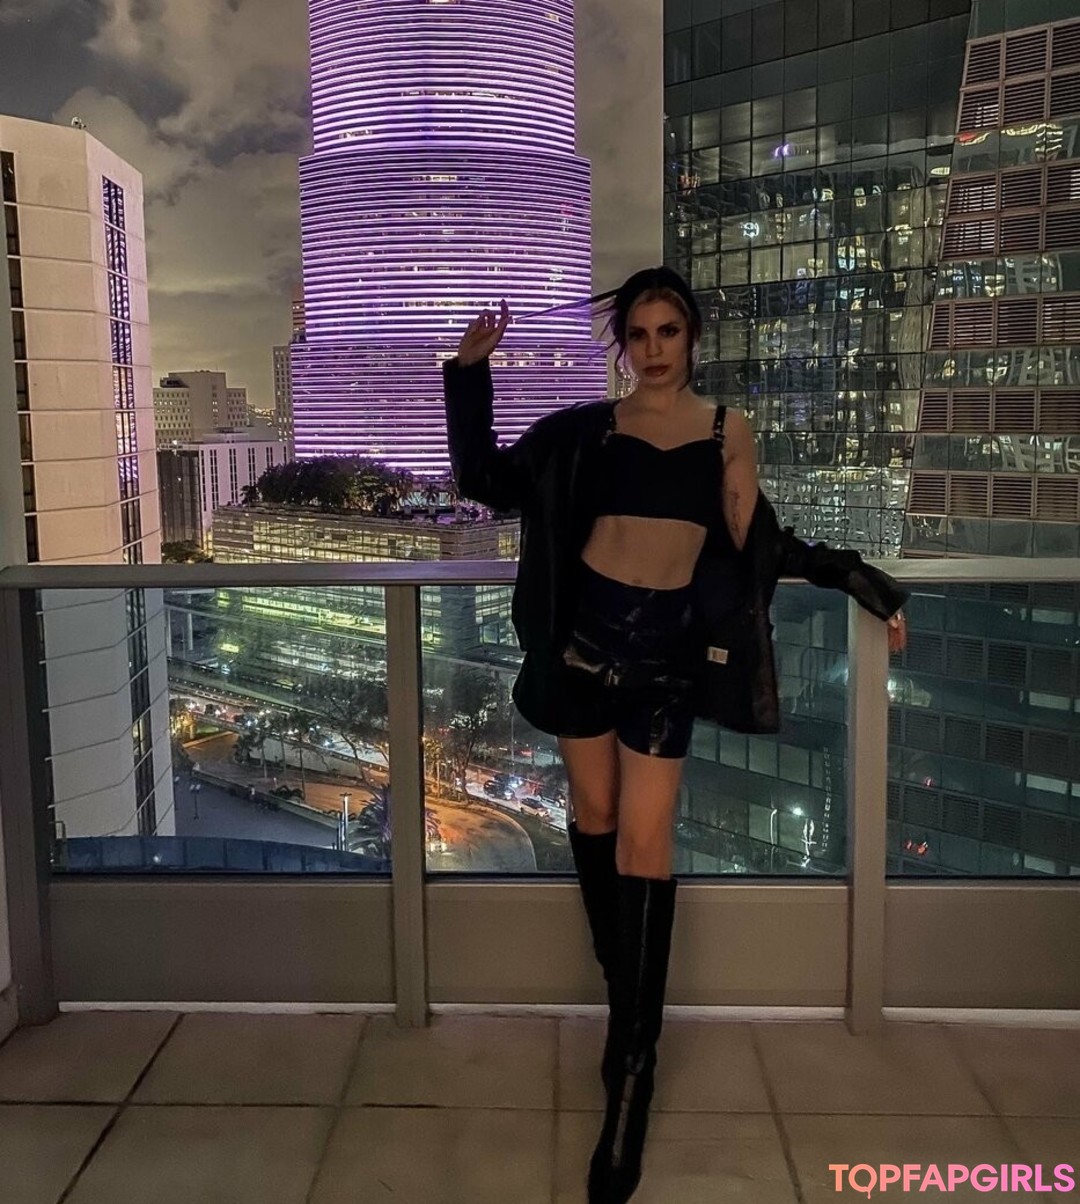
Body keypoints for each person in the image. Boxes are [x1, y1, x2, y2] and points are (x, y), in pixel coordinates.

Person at [443, 266, 907, 1204]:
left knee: (647, 848)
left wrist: (857, 575)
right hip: (581, 650)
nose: (654, 349)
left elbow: (756, 538)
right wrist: (468, 372)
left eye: (669, 331)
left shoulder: (729, 430)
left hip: (665, 662)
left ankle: (632, 1071)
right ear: (623, 345)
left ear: (692, 337)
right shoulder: (586, 430)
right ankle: (627, 998)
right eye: (639, 334)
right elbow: (484, 480)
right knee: (596, 817)